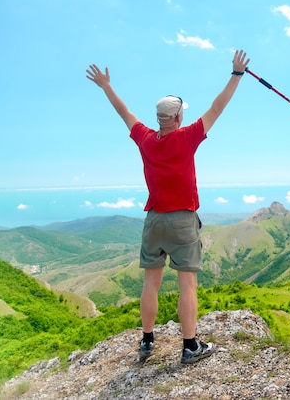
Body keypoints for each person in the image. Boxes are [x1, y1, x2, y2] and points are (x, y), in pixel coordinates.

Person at [86, 50, 250, 364]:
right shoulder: (187, 137)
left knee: (151, 282)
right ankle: (190, 346)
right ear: (177, 118)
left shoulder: (145, 139)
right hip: (183, 220)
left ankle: (147, 341)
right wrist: (236, 74)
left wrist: (106, 86)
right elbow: (218, 107)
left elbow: (125, 112)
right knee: (187, 283)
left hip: (154, 219)